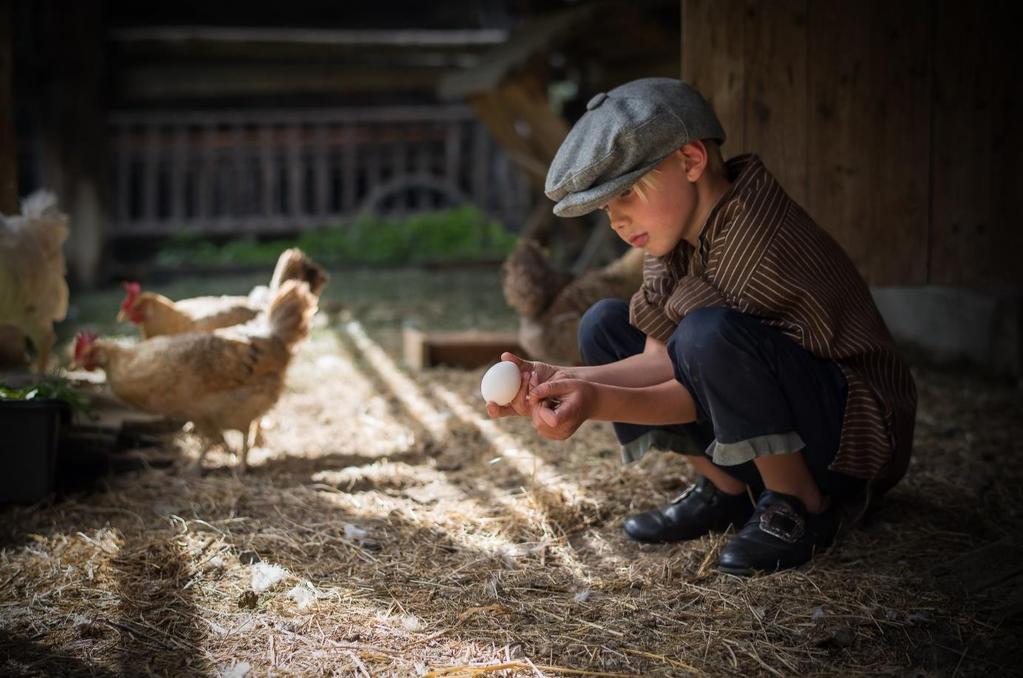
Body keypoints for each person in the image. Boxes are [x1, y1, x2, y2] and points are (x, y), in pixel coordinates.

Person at [486, 78, 916, 575]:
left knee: (705, 334)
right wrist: (558, 376)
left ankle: (797, 504)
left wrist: (598, 402)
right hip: (775, 410)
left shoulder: (757, 246)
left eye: (626, 193)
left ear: (691, 161)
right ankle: (729, 490)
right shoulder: (674, 235)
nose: (617, 221)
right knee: (603, 323)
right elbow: (658, 359)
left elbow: (703, 378)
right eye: (607, 207)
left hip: (851, 442)